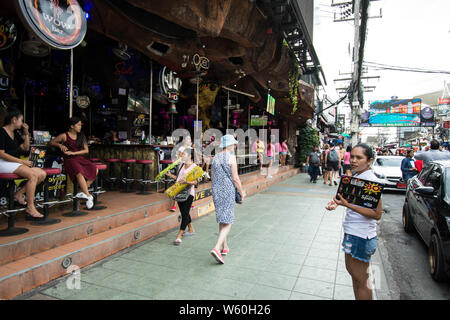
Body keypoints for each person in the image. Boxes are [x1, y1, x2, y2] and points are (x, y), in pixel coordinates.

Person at [325, 144, 383, 300]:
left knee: (361, 280)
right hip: (353, 233)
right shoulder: (357, 177)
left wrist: (347, 205)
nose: (354, 161)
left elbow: (377, 214)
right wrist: (336, 203)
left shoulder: (371, 181)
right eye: (353, 157)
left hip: (361, 237)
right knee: (355, 277)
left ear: (369, 160)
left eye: (359, 158)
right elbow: (345, 200)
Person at [0, 108, 46, 218]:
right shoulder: (1, 132)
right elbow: (1, 154)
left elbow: (26, 148)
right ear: (14, 120)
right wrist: (21, 161)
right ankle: (30, 207)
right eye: (21, 120)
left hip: (14, 163)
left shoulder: (15, 133)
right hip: (3, 162)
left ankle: (19, 193)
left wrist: (26, 133)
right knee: (32, 175)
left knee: (41, 174)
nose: (22, 123)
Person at [210, 134, 245, 264]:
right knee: (229, 221)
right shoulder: (231, 157)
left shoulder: (215, 158)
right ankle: (217, 248)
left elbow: (212, 177)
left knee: (222, 219)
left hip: (216, 191)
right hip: (227, 191)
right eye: (234, 144)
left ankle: (225, 247)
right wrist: (241, 193)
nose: (235, 146)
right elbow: (235, 178)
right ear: (229, 145)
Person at [49, 117, 98, 209]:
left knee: (95, 169)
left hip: (78, 157)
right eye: (78, 125)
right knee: (79, 172)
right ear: (72, 126)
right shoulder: (64, 135)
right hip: (69, 159)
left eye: (80, 125)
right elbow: (51, 142)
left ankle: (81, 192)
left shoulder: (81, 136)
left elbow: (86, 150)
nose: (80, 127)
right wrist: (60, 145)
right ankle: (88, 196)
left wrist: (73, 153)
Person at [165, 147, 200, 245]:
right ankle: (191, 229)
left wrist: (187, 181)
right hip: (179, 192)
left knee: (184, 214)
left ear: (190, 156)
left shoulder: (194, 167)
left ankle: (179, 236)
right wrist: (171, 176)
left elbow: (196, 182)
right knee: (185, 212)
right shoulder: (181, 165)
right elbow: (179, 179)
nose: (182, 155)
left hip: (189, 193)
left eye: (184, 154)